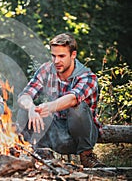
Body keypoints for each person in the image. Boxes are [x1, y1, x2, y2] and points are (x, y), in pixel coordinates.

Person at [16, 33, 105, 168]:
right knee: (25, 108)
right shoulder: (46, 69)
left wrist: (49, 106)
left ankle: (87, 156)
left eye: (61, 56)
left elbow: (72, 99)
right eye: (54, 56)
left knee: (77, 108)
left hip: (81, 135)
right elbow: (25, 95)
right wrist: (31, 108)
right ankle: (43, 154)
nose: (56, 61)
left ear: (73, 55)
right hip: (57, 134)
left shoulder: (87, 76)